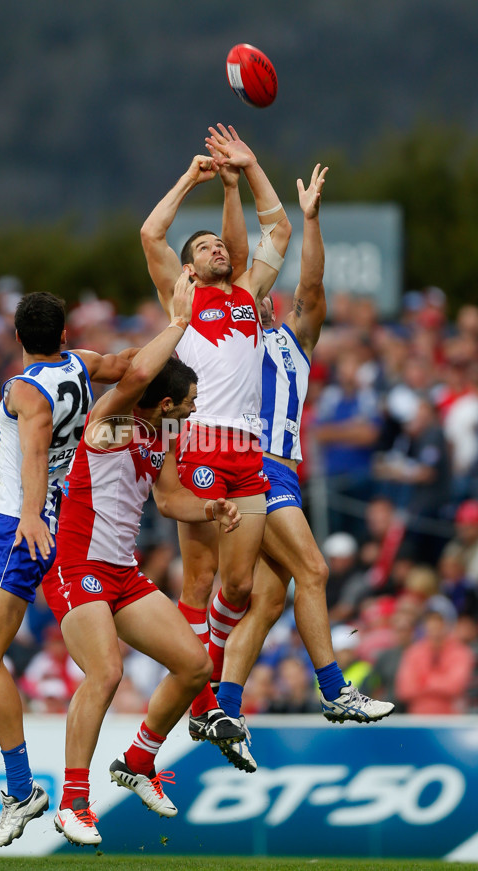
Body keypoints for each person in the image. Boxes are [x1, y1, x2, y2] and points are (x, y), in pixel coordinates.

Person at [0, 292, 134, 849]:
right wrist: (179, 322)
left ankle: (21, 789)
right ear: (64, 334)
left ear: (17, 338)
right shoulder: (81, 364)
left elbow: (35, 454)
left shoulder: (25, 387)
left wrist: (31, 515)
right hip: (2, 518)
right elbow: (129, 364)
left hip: (15, 521)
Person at [42, 272, 241, 846]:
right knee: (105, 673)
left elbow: (170, 496)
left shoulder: (163, 433)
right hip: (76, 566)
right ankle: (73, 802)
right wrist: (177, 324)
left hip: (122, 573)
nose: (194, 411)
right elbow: (136, 376)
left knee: (196, 665)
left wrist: (211, 509)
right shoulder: (109, 424)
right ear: (166, 402)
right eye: (188, 403)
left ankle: (138, 761)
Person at [214, 164, 394, 773]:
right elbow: (234, 263)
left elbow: (312, 289)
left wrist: (311, 220)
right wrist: (236, 193)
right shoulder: (227, 345)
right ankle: (335, 690)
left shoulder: (294, 343)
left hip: (281, 474)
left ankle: (227, 707)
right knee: (314, 570)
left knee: (267, 604)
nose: (260, 299)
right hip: (256, 470)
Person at [140, 124, 291, 747]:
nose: (215, 251)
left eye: (218, 246)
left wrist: (245, 172)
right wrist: (191, 179)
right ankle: (206, 698)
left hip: (248, 453)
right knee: (198, 582)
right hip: (201, 444)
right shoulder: (184, 299)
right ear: (189, 266)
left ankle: (214, 687)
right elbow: (150, 234)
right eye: (201, 248)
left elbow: (277, 230)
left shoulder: (249, 294)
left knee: (239, 586)